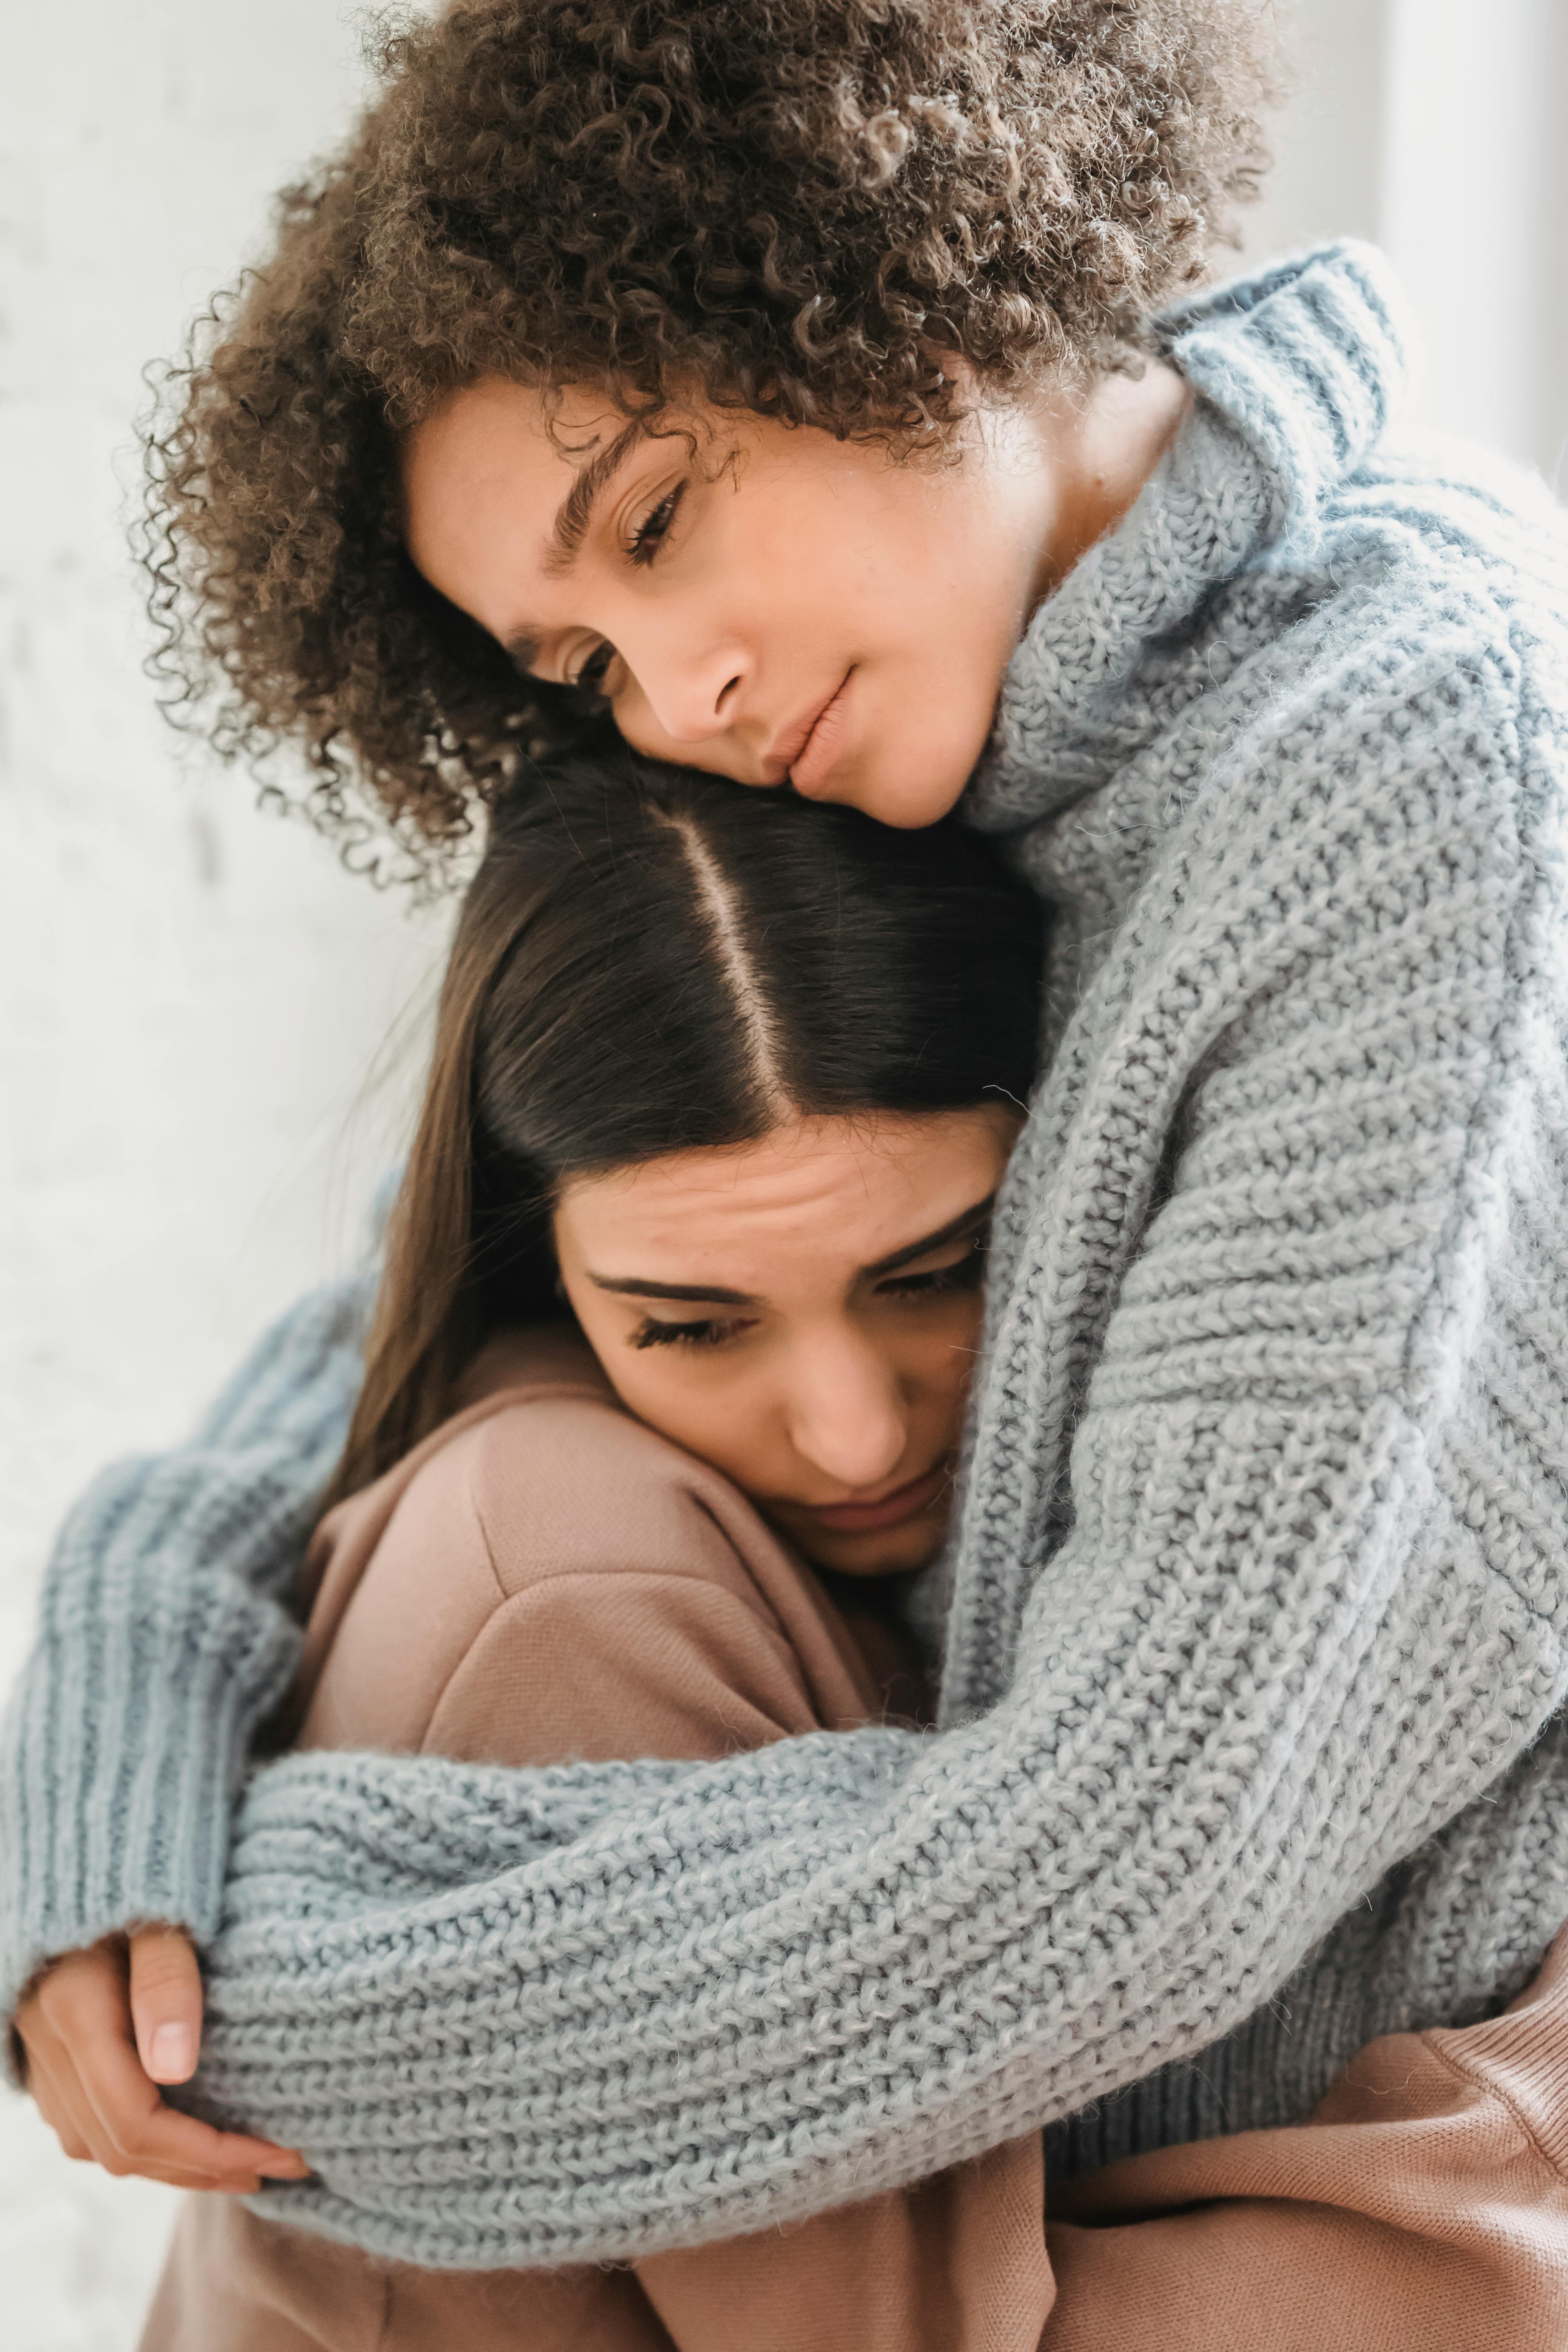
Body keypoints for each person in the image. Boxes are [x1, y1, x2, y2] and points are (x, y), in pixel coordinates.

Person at [5, 0, 1568, 2279]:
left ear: (897, 262)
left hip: (1319, 2098)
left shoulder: (1417, 764)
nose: (682, 697)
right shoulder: (957, 707)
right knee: (508, 1479)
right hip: (990, 2024)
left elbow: (1155, 1860)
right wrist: (130, 1659)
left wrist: (246, 2022)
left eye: (655, 517)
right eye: (581, 668)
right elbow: (448, 1260)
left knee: (509, 1589)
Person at [140, 750, 1568, 2351]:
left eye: (934, 1272)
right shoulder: (567, 1579)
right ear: (536, 1254)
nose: (854, 1436)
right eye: (692, 1326)